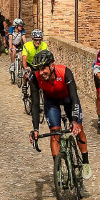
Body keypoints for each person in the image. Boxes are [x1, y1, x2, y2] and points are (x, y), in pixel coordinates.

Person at [27, 49, 90, 180]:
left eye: (43, 68)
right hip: (51, 102)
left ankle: (85, 163)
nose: (41, 72)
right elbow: (35, 104)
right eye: (38, 69)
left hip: (68, 100)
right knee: (55, 131)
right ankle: (58, 169)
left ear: (52, 65)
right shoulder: (35, 78)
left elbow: (75, 98)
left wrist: (74, 121)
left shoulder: (65, 72)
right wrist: (36, 129)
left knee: (79, 128)